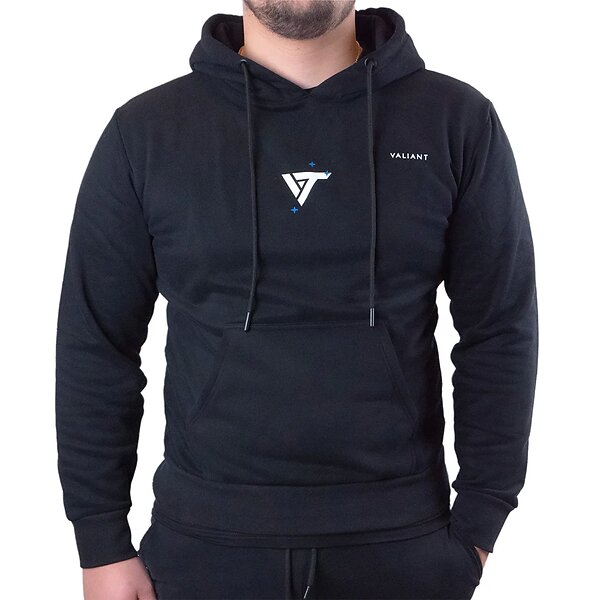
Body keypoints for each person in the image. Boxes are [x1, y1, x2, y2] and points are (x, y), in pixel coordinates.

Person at [55, 1, 538, 599]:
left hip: (405, 544)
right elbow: (96, 341)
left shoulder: (454, 120)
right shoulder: (147, 131)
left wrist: (481, 523)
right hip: (203, 546)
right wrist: (101, 540)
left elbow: (500, 328)